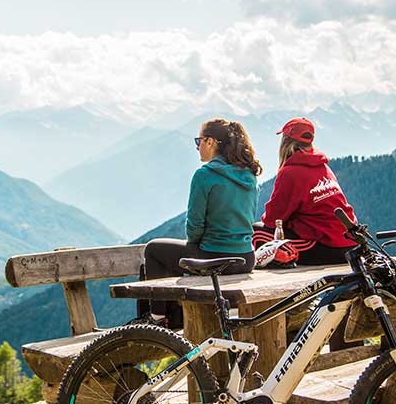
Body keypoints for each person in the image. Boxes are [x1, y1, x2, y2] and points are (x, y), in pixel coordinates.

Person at [133, 118, 260, 328]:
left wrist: (196, 244)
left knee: (154, 250)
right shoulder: (249, 175)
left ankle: (157, 319)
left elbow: (194, 228)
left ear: (211, 142)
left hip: (215, 257)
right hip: (245, 258)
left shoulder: (205, 174)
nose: (197, 147)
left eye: (198, 141)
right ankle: (172, 316)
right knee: (174, 254)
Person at [257, 117, 357, 265]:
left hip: (326, 246)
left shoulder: (290, 172)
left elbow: (273, 220)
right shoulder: (323, 166)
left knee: (256, 233)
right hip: (350, 243)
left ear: (285, 141)